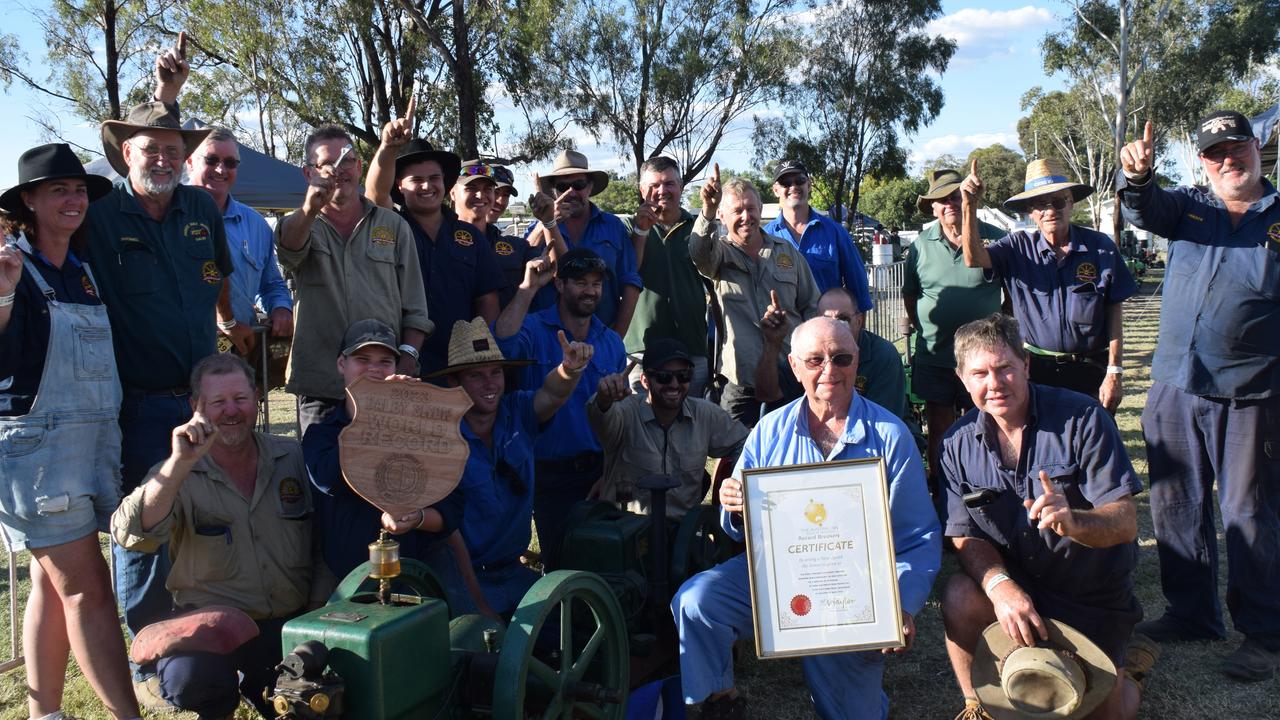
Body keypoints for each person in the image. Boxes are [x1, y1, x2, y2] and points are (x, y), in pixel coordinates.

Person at [671, 316, 940, 719]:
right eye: (815, 360)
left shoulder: (890, 435)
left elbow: (916, 536)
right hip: (776, 575)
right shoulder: (768, 431)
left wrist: (899, 601)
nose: (829, 370)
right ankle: (719, 701)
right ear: (795, 367)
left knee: (852, 714)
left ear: (857, 363)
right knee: (697, 602)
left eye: (841, 358)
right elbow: (739, 525)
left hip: (854, 590)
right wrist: (734, 504)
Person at [80, 35, 240, 662]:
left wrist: (237, 322)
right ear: (125, 154)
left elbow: (219, 278)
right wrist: (162, 94)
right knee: (144, 526)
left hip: (204, 399)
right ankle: (150, 647)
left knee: (206, 519)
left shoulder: (201, 205)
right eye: (152, 149)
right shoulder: (98, 212)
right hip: (140, 405)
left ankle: (202, 629)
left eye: (176, 150)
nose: (166, 159)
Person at [1118, 112, 1280, 681]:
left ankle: (1263, 633)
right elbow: (1143, 208)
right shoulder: (1189, 206)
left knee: (1249, 512)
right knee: (1174, 505)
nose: (1228, 159)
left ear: (1257, 147)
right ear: (1203, 163)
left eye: (1237, 147)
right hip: (1173, 384)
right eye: (1215, 153)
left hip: (1251, 393)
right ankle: (1192, 613)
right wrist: (1136, 179)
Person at [938, 314, 1145, 720]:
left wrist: (1076, 522)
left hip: (1090, 594)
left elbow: (1126, 521)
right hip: (1019, 590)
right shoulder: (955, 444)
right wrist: (1000, 587)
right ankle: (976, 705)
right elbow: (963, 534)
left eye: (1005, 369)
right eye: (980, 373)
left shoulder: (1082, 418)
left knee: (1107, 713)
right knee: (960, 594)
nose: (994, 384)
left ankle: (1132, 672)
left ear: (1027, 365)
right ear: (963, 378)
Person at [0, 144, 142, 720]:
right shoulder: (12, 266)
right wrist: (5, 291)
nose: (73, 198)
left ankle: (44, 715)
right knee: (87, 592)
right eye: (58, 189)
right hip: (40, 456)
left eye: (79, 189)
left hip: (89, 446)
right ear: (29, 201)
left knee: (50, 587)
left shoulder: (81, 271)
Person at [110, 354, 331, 718]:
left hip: (290, 624)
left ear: (257, 398)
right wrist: (179, 464)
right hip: (211, 632)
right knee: (191, 677)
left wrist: (316, 615)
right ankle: (220, 705)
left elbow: (324, 542)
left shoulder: (293, 457)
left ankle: (263, 687)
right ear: (195, 407)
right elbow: (131, 534)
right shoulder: (177, 472)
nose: (231, 411)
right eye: (218, 402)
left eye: (240, 399)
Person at [422, 315, 593, 615]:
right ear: (453, 382)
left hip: (514, 572)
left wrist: (569, 370)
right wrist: (480, 607)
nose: (490, 384)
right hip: (465, 578)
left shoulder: (518, 411)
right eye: (476, 375)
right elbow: (449, 536)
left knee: (570, 628)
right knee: (481, 652)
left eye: (496, 372)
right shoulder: (438, 438)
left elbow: (552, 393)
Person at [276, 123, 431, 432]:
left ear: (360, 167)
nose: (339, 170)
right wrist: (310, 207)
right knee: (321, 477)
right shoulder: (298, 224)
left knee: (386, 475)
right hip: (320, 387)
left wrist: (407, 360)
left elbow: (415, 307)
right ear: (309, 174)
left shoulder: (394, 226)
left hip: (384, 384)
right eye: (327, 164)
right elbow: (288, 251)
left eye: (346, 160)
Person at [960, 159, 1136, 411]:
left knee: (1093, 444)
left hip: (1090, 370)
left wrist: (1114, 371)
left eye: (1058, 201)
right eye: (1041, 203)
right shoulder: (1017, 247)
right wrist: (970, 204)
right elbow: (973, 258)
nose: (1050, 210)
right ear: (1031, 211)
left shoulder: (1100, 247)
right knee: (1040, 443)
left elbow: (1114, 313)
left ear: (1071, 204)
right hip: (1035, 371)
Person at [494, 246, 627, 569]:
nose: (590, 291)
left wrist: (611, 472)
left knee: (604, 561)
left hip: (597, 474)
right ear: (559, 284)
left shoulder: (610, 341)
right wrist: (527, 290)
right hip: (547, 475)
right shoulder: (534, 329)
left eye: (596, 283)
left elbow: (621, 419)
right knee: (560, 565)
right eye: (581, 282)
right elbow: (500, 348)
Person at [302, 319, 464, 580]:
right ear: (342, 364)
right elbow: (328, 480)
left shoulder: (422, 429)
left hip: (417, 575)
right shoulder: (322, 434)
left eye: (385, 362)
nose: (374, 370)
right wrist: (375, 418)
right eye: (363, 359)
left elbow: (453, 507)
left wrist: (418, 518)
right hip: (348, 582)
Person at [365, 106, 504, 374]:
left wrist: (483, 356)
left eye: (434, 178)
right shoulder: (392, 226)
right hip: (400, 362)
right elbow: (373, 191)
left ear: (445, 182)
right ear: (399, 186)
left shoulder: (471, 237)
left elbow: (488, 300)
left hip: (460, 365)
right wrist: (387, 147)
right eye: (416, 180)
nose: (427, 186)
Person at [689, 164, 820, 427]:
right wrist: (708, 209)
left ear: (761, 210)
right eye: (737, 211)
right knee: (737, 458)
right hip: (741, 383)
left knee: (793, 454)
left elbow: (811, 306)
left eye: (750, 208)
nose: (745, 216)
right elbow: (699, 253)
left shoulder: (787, 254)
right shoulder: (718, 256)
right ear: (723, 217)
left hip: (789, 376)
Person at [902, 168, 1004, 495]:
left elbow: (1012, 296)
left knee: (985, 425)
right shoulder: (919, 246)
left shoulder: (993, 237)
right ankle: (942, 491)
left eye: (956, 196)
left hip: (984, 358)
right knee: (939, 428)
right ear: (932, 207)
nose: (950, 204)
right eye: (942, 200)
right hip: (935, 354)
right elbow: (910, 294)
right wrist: (926, 328)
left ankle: (987, 488)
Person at [588, 338, 748, 519]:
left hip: (681, 535)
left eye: (683, 376)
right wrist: (604, 399)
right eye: (664, 377)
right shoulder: (625, 412)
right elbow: (599, 416)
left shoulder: (706, 414)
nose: (674, 384)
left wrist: (735, 479)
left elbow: (746, 444)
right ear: (645, 381)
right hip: (625, 532)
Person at [184, 127, 293, 353]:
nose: (221, 169)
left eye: (230, 163)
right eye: (211, 160)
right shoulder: (168, 215)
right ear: (190, 162)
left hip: (237, 351)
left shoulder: (256, 224)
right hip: (181, 348)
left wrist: (281, 308)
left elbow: (271, 283)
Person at [525, 149, 643, 335]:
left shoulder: (613, 226)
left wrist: (615, 339)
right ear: (554, 191)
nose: (571, 192)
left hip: (601, 336)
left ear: (590, 187)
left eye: (578, 185)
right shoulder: (538, 227)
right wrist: (546, 223)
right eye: (563, 187)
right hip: (545, 341)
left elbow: (630, 282)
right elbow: (523, 262)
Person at [622, 156, 711, 399]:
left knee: (692, 420)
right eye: (654, 185)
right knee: (642, 422)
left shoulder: (698, 226)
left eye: (670, 183)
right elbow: (630, 269)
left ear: (681, 187)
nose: (662, 191)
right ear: (642, 190)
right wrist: (642, 230)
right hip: (641, 348)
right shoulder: (628, 228)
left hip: (691, 345)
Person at [756, 287, 907, 421]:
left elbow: (883, 421)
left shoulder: (882, 355)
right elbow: (768, 395)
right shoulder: (808, 353)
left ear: (859, 321)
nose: (834, 326)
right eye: (826, 319)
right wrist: (772, 343)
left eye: (843, 319)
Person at [763, 159, 873, 310]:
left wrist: (856, 331)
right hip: (783, 331)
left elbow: (859, 291)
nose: (793, 187)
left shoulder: (836, 233)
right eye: (786, 183)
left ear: (808, 185)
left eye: (799, 181)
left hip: (827, 328)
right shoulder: (764, 237)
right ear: (775, 190)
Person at [484, 164, 543, 308]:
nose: (500, 201)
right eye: (495, 192)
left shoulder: (511, 244)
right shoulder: (448, 238)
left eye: (506, 195)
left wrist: (548, 221)